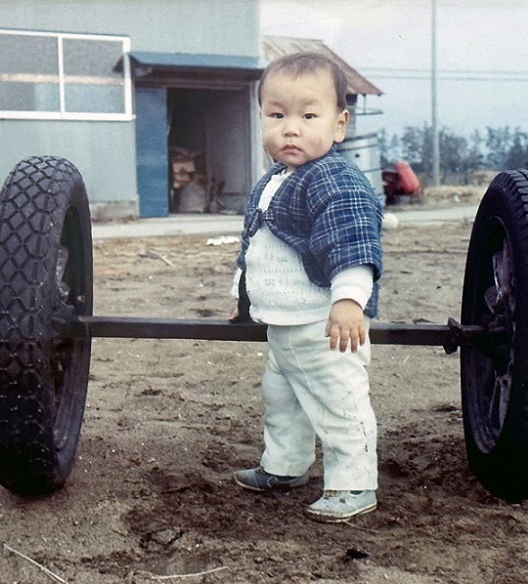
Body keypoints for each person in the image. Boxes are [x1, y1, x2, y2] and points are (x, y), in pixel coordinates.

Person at [229, 51, 384, 523]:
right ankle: (284, 466)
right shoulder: (274, 180)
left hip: (325, 327)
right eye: (277, 115)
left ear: (339, 125)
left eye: (308, 115)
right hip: (283, 327)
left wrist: (348, 301)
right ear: (261, 119)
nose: (290, 128)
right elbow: (255, 247)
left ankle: (353, 483)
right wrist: (243, 298)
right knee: (282, 402)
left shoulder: (336, 181)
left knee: (340, 403)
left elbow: (353, 243)